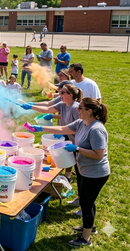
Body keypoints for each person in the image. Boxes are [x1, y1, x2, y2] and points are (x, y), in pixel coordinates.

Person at [30, 98, 109, 247]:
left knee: (86, 203)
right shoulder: (81, 123)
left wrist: (77, 149)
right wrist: (39, 128)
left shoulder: (96, 129)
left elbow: (99, 154)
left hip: (96, 173)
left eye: (80, 108)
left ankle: (86, 239)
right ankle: (90, 227)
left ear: (89, 111)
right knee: (88, 201)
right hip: (85, 170)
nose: (77, 110)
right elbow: (62, 129)